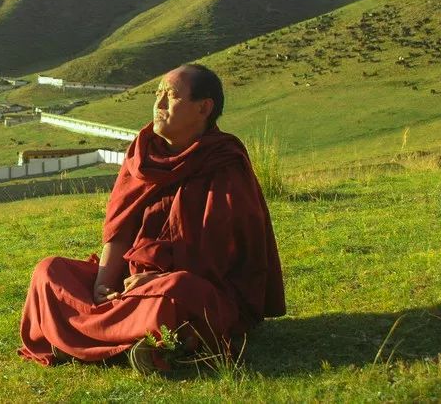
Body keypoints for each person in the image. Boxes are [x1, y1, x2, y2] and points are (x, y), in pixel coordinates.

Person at [18, 64, 286, 371]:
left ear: (204, 107)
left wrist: (157, 280)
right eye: (157, 94)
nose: (158, 105)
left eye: (170, 96)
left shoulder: (224, 161)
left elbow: (229, 256)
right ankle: (132, 342)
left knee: (174, 295)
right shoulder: (142, 154)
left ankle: (78, 339)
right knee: (49, 272)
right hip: (128, 284)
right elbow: (120, 228)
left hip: (185, 287)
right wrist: (102, 285)